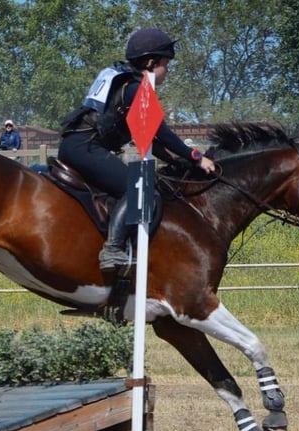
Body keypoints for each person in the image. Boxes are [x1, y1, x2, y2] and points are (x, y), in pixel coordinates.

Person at [58, 28, 216, 271]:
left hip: (76, 144)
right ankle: (112, 250)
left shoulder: (124, 79)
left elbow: (147, 137)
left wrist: (176, 161)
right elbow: (161, 132)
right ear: (151, 62)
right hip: (86, 148)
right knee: (144, 192)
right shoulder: (136, 88)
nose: (168, 70)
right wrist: (195, 157)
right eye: (166, 64)